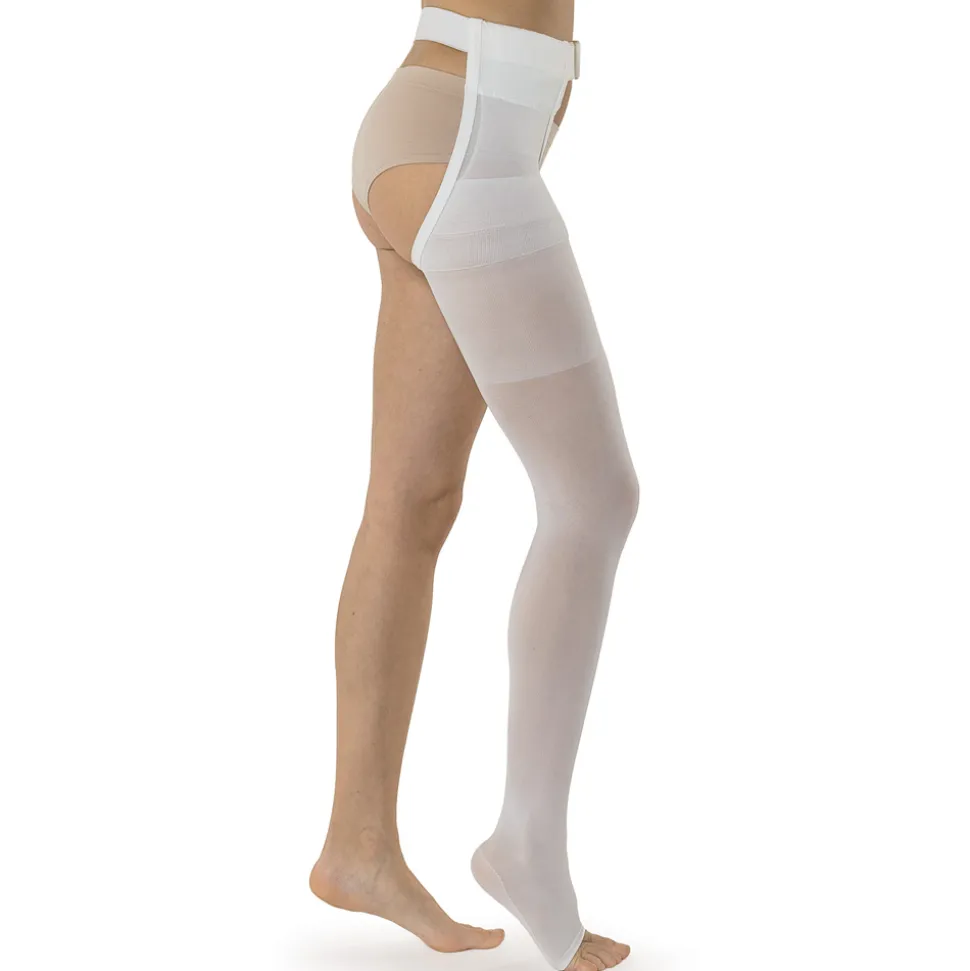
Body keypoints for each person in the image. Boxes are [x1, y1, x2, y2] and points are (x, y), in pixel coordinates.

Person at [310, 4, 638, 969]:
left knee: (411, 501)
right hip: (466, 135)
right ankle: (526, 840)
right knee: (593, 498)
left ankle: (357, 845)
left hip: (445, 130)